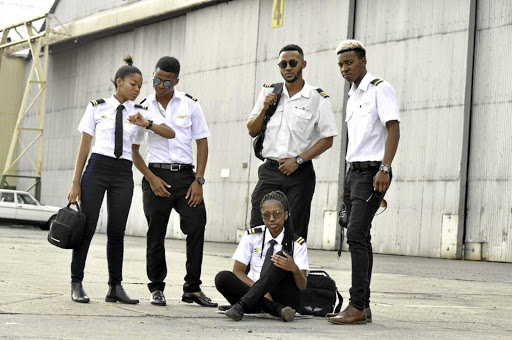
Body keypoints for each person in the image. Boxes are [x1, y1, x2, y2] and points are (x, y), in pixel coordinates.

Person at [67, 56, 174, 304]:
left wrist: (146, 124)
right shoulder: (97, 107)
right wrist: (75, 181)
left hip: (122, 173)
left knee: (117, 232)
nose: (138, 89)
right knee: (87, 228)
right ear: (119, 82)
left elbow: (170, 133)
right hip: (96, 169)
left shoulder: (141, 112)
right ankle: (77, 282)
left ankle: (115, 286)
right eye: (133, 84)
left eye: (140, 85)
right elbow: (84, 147)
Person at [132, 56, 217, 307]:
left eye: (166, 82)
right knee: (155, 233)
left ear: (176, 81)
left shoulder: (190, 105)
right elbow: (135, 152)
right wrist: (151, 178)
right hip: (155, 175)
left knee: (196, 226)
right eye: (156, 80)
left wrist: (198, 180)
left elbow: (202, 142)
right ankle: (156, 287)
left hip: (185, 177)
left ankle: (192, 288)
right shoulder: (143, 107)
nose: (160, 86)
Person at [327, 40, 400, 325]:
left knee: (356, 234)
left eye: (349, 63)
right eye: (341, 65)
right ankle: (363, 307)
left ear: (363, 61)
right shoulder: (352, 95)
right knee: (358, 233)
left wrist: (385, 167)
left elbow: (393, 129)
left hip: (374, 172)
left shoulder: (381, 89)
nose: (345, 68)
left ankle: (357, 306)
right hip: (353, 172)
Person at [247, 44, 338, 241]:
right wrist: (264, 108)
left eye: (293, 63)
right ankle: (257, 270)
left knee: (295, 229)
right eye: (283, 64)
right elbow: (252, 130)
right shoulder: (269, 92)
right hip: (269, 171)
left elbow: (328, 138)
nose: (287, 68)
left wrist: (297, 160)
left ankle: (291, 271)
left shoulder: (317, 98)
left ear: (303, 64)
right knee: (258, 224)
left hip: (299, 173)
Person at [215, 190, 309, 322]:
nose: (271, 219)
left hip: (283, 297)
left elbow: (302, 285)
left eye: (277, 214)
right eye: (266, 215)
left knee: (281, 255)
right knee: (222, 278)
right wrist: (260, 291)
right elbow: (238, 271)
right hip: (255, 295)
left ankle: (243, 305)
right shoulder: (252, 236)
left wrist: (293, 268)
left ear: (286, 215)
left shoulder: (297, 243)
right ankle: (276, 310)